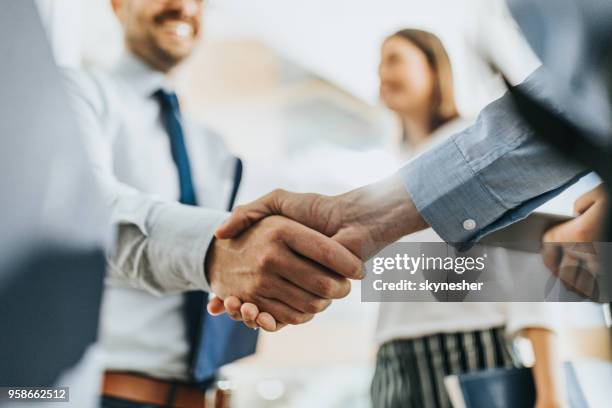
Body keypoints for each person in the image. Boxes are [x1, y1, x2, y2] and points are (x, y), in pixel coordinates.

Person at [62, 0, 362, 406]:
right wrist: (212, 254)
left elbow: (246, 251)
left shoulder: (214, 147)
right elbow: (84, 214)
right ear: (118, 5)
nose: (184, 7)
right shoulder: (78, 92)